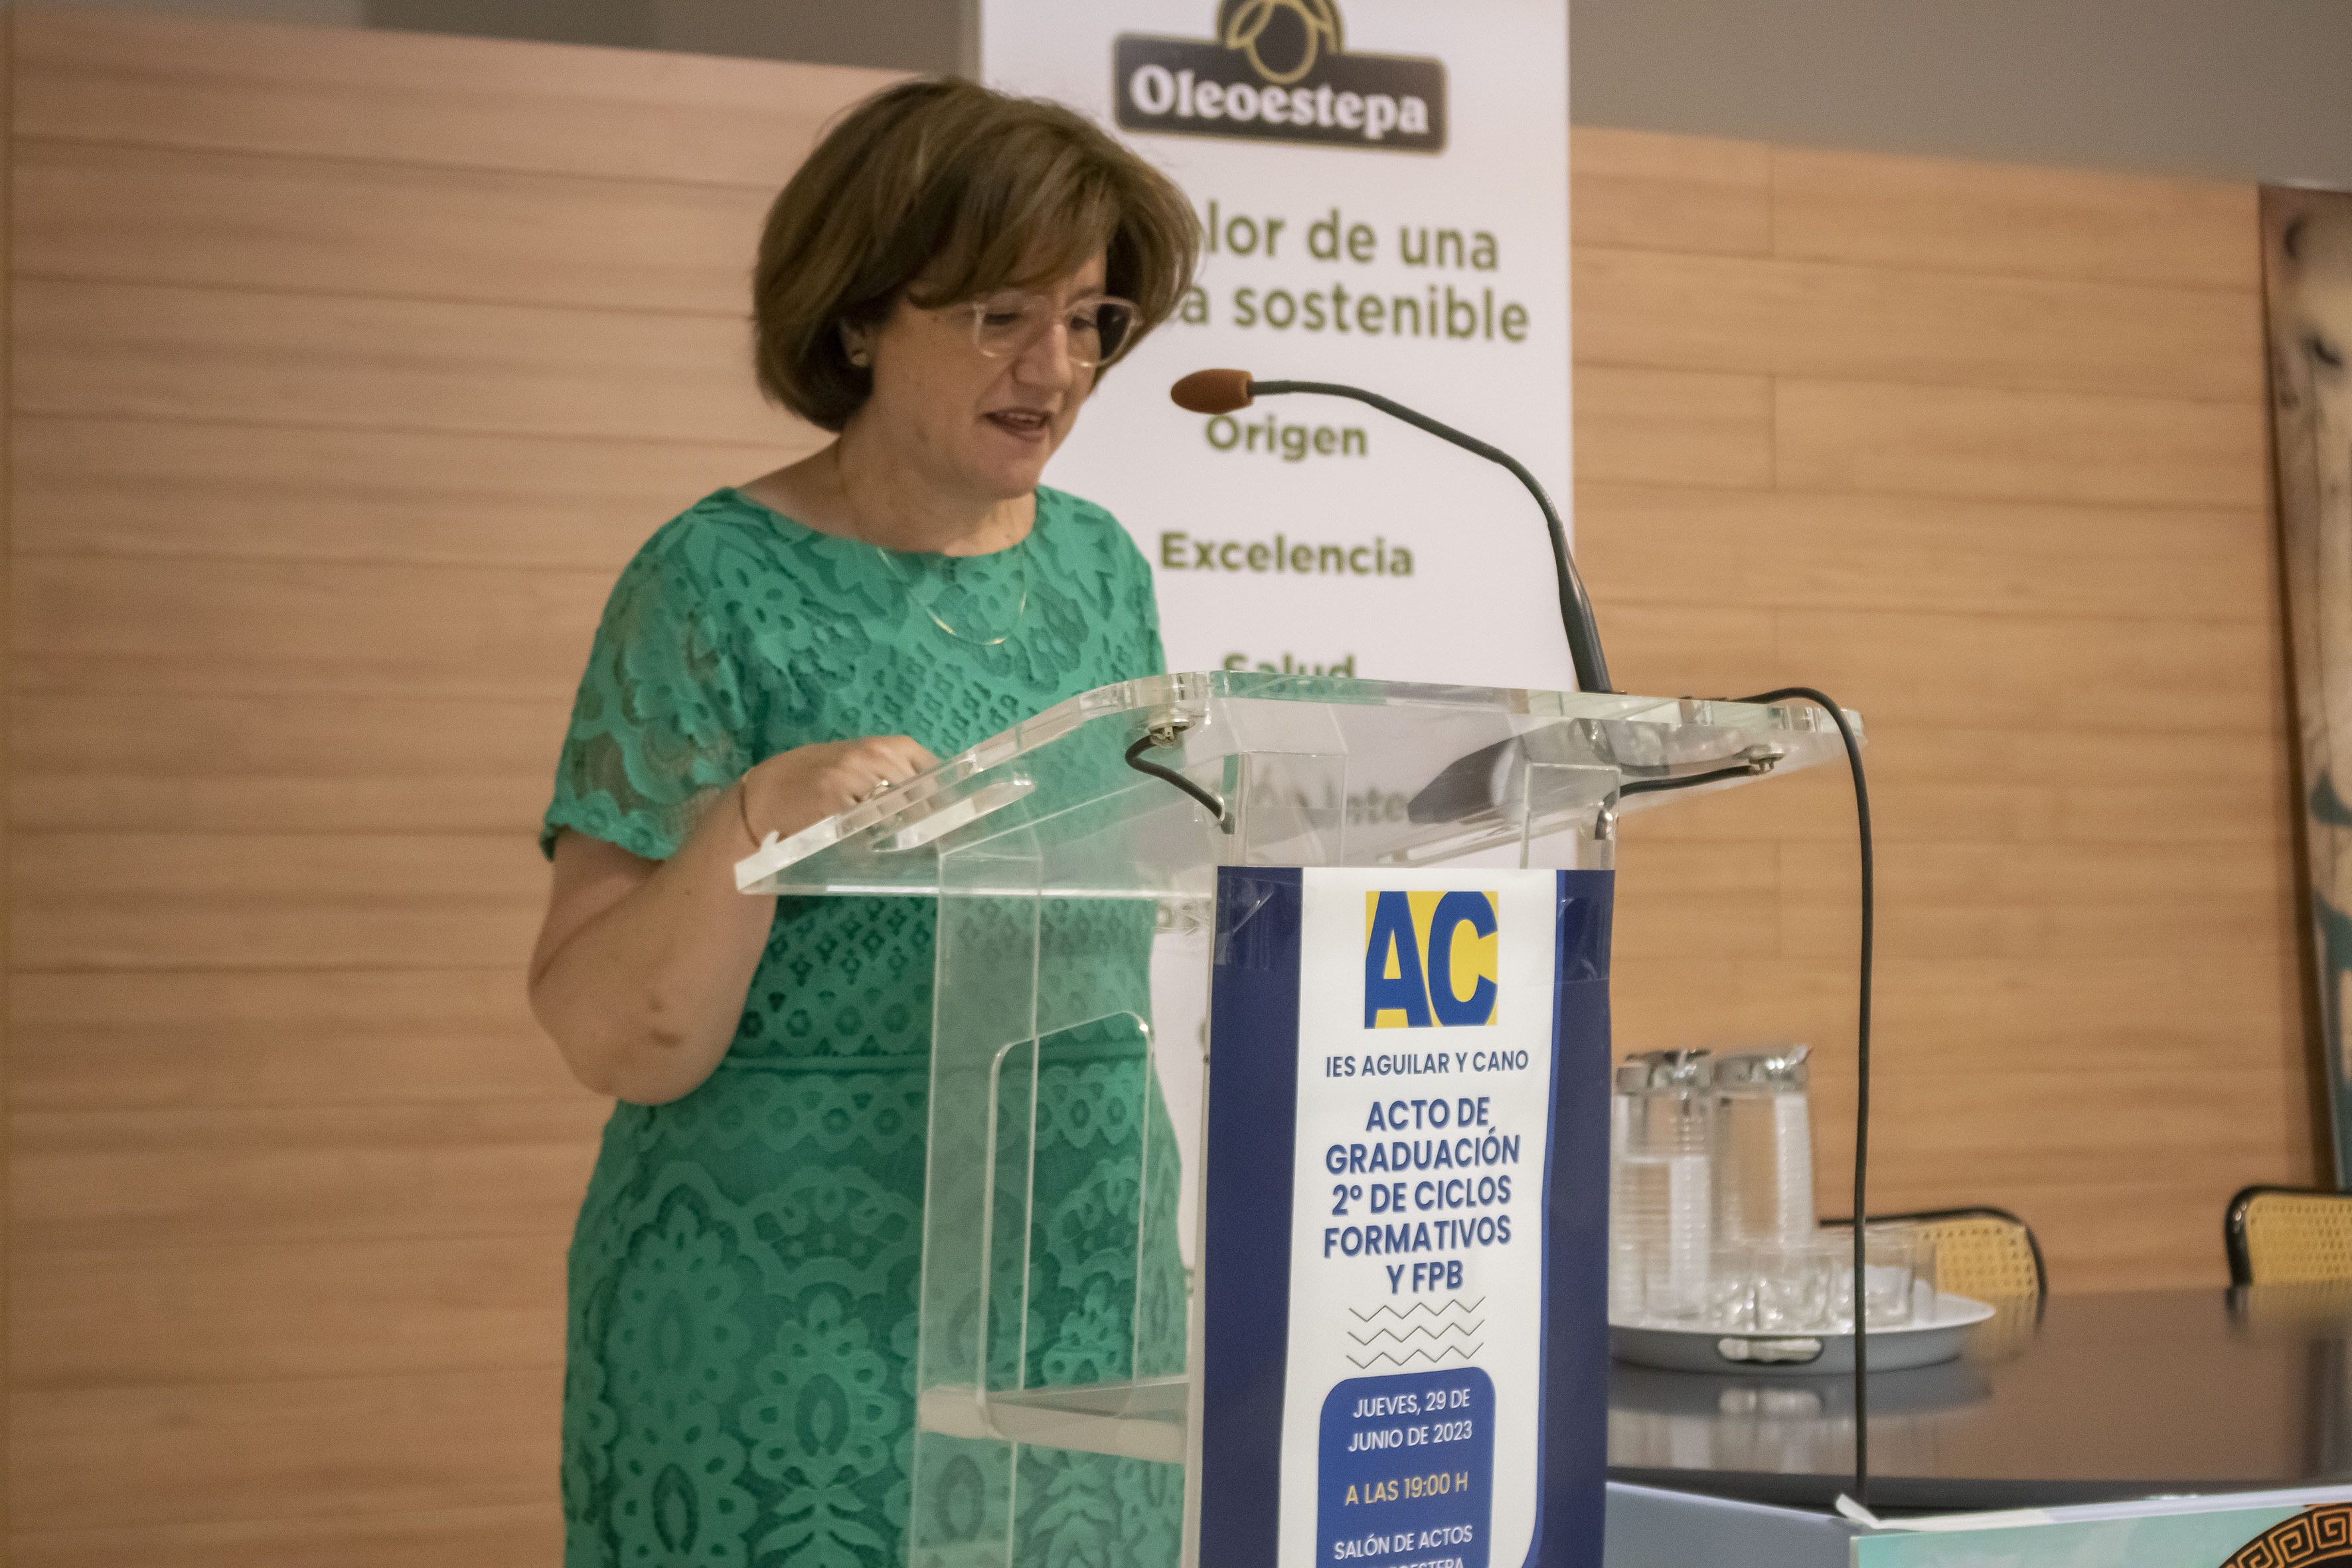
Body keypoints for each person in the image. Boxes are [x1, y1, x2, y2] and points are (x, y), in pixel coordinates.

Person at [528, 77, 1197, 1567]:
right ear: (857, 320)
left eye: (1087, 319)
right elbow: (605, 1025)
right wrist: (754, 819)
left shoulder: (1101, 568)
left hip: (1083, 1284)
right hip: (791, 1313)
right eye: (999, 315)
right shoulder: (709, 579)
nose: (1054, 367)